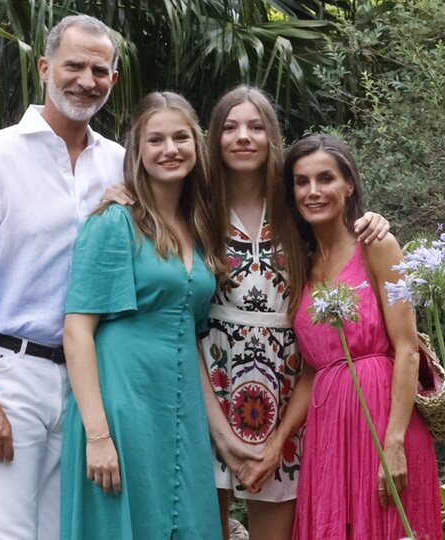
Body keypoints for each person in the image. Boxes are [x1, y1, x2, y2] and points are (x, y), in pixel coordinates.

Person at [103, 85, 389, 540]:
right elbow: (151, 202)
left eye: (256, 127)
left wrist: (372, 218)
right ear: (212, 138)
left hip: (286, 389)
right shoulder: (195, 207)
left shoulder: (296, 208)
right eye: (231, 127)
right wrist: (126, 192)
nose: (243, 137)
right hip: (208, 388)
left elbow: (339, 233)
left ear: (271, 137)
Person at [0, 15, 123, 539]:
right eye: (74, 65)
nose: (86, 79)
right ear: (45, 67)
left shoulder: (121, 165)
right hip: (10, 375)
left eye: (99, 69)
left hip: (88, 382)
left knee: (69, 532)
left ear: (113, 77)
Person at [60, 91, 224, 539]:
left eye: (180, 137)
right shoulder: (114, 223)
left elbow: (189, 335)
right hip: (120, 404)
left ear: (196, 144)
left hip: (180, 405)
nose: (170, 149)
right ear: (137, 150)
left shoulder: (202, 226)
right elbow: (77, 331)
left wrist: (224, 435)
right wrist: (98, 435)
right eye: (156, 140)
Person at [280, 134, 443, 539]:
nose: (313, 191)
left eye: (326, 178)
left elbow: (406, 348)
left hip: (384, 418)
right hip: (328, 432)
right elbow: (313, 370)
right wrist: (276, 444)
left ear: (348, 184)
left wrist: (394, 441)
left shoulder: (376, 245)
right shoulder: (301, 263)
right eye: (302, 182)